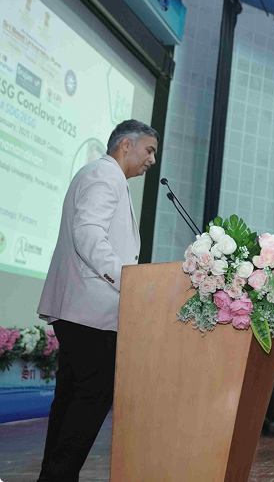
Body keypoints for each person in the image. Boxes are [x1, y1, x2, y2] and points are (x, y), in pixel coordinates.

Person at [36, 120, 157, 481]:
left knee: (71, 398)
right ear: (125, 144)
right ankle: (58, 475)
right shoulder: (106, 176)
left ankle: (54, 476)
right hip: (91, 310)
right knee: (90, 399)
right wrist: (128, 281)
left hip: (80, 309)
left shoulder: (101, 175)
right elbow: (88, 233)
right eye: (149, 150)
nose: (152, 159)